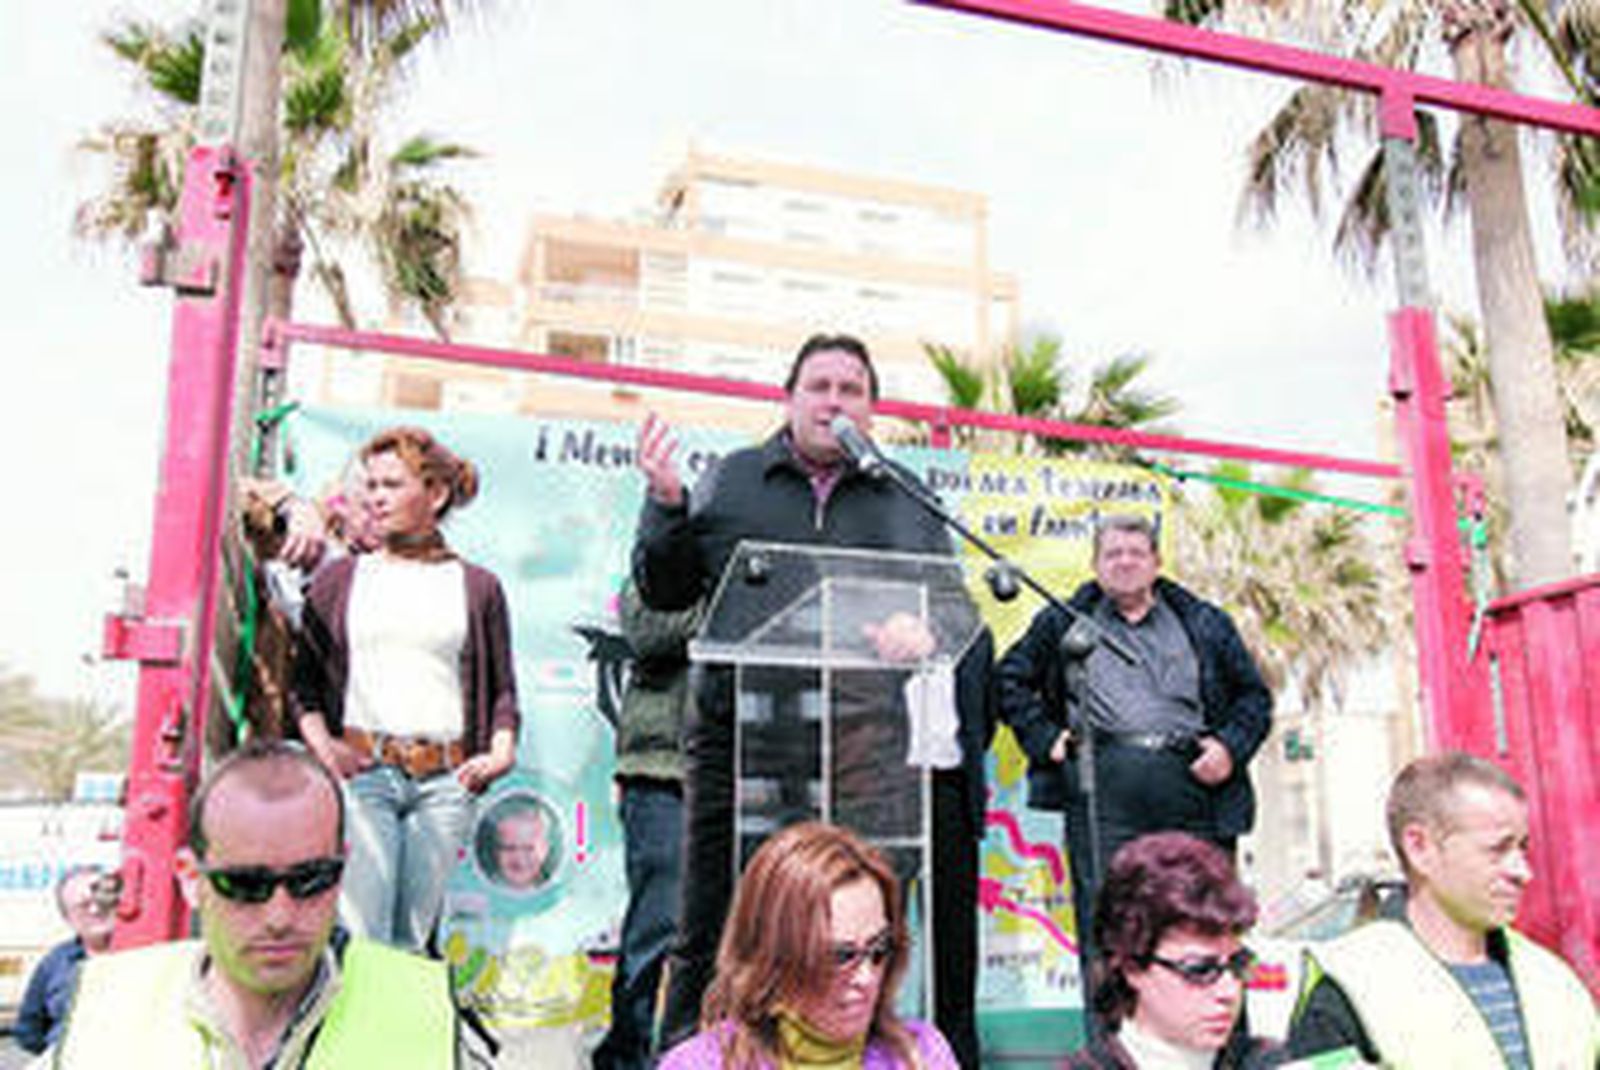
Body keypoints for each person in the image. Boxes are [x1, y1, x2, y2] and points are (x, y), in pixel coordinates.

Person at [633, 333, 994, 1066]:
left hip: (869, 752)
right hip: (745, 746)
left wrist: (921, 625)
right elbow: (664, 588)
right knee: (716, 927)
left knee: (855, 932)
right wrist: (667, 504)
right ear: (790, 399)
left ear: (871, 407)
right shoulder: (732, 480)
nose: (834, 401)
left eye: (850, 389)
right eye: (819, 386)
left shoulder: (904, 494)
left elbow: (955, 608)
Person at [47, 739, 473, 1067]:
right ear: (191, 879)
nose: (279, 916)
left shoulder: (426, 1017)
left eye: (310, 880)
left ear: (342, 871)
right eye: (246, 885)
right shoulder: (106, 1014)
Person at [997, 514, 1271, 988]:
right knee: (1110, 930)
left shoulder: (1204, 621)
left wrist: (1230, 748)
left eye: (1136, 553)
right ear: (1096, 565)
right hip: (1102, 791)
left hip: (1193, 789)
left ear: (1156, 562)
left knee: (1204, 925)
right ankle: (1112, 1053)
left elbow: (1254, 697)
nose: (1124, 562)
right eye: (1113, 554)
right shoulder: (1064, 621)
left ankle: (1218, 1056)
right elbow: (1009, 680)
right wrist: (1046, 739)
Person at [293, 425, 520, 951]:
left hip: (445, 781)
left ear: (435, 495)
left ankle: (398, 1035)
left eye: (391, 485)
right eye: (370, 485)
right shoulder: (339, 579)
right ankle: (349, 1035)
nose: (375, 497)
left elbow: (503, 689)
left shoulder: (478, 586)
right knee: (363, 936)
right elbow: (302, 683)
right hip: (363, 774)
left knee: (412, 943)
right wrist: (325, 749)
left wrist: (501, 751)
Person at [1285, 751, 1598, 1068]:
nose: (1522, 871)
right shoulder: (1348, 987)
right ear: (1419, 847)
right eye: (1497, 850)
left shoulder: (1553, 980)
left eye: (1522, 848)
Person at [658, 821, 960, 1069]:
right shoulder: (700, 1064)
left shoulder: (920, 1055)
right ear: (774, 953)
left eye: (879, 949)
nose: (866, 978)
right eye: (841, 956)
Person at [593, 579, 702, 1070]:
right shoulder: (660, 560)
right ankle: (626, 1054)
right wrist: (724, 607)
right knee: (656, 926)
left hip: (748, 769)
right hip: (663, 771)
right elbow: (648, 631)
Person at [1064, 832, 1279, 1069]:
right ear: (1131, 966)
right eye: (1200, 970)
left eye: (1239, 964)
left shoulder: (1271, 1062)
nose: (1229, 992)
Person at [14, 867, 116, 1054]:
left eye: (102, 900)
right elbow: (28, 1031)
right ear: (68, 918)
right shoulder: (54, 963)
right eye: (83, 905)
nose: (95, 910)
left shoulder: (149, 952)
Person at [489, 801, 554, 891]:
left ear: (544, 850)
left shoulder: (556, 895)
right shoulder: (482, 892)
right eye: (510, 848)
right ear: (496, 852)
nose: (520, 857)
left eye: (529, 848)